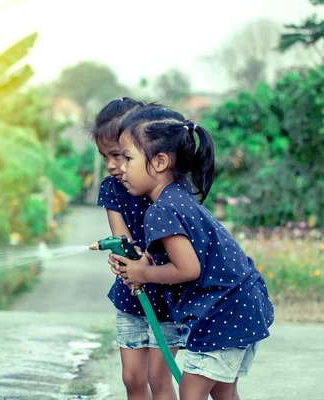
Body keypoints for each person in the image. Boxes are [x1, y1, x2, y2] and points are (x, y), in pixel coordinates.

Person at [109, 106, 274, 400]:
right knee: (223, 391)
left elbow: (188, 269)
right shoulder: (178, 193)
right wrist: (147, 260)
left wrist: (142, 273)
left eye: (128, 158)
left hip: (223, 310)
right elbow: (183, 250)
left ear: (159, 162)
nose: (120, 167)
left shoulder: (160, 209)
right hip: (241, 302)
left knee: (191, 392)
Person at [93, 98, 189, 400]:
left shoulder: (168, 188)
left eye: (120, 155)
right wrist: (127, 258)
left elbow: (183, 246)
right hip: (133, 293)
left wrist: (148, 263)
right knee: (133, 379)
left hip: (167, 289)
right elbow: (123, 241)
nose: (111, 164)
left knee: (158, 378)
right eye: (104, 156)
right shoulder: (112, 188)